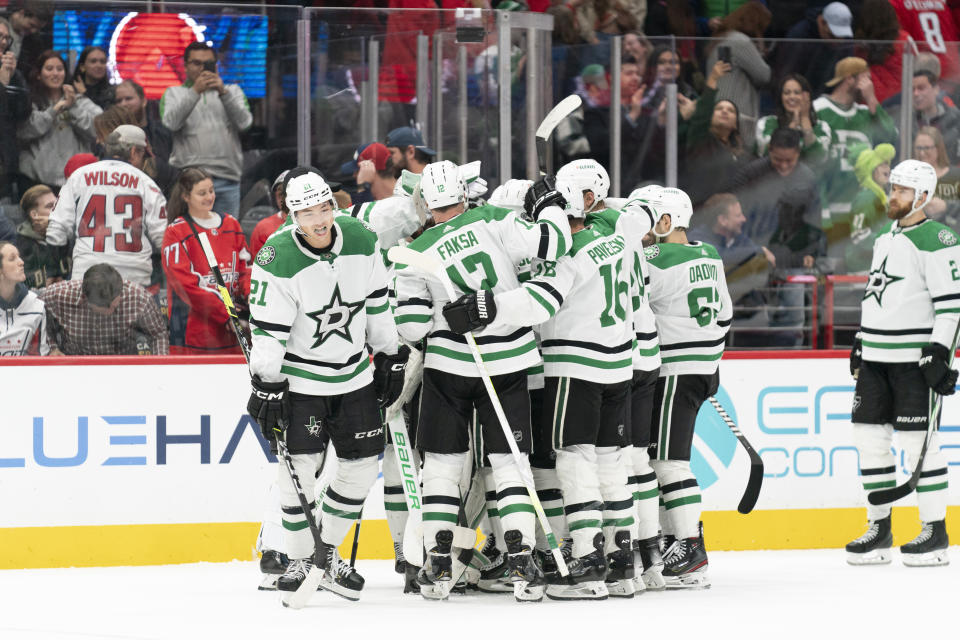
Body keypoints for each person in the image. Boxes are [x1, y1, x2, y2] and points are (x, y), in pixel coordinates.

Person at [393, 161, 572, 601]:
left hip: (448, 370)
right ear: (464, 193)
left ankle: (436, 565)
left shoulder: (417, 251)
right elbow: (555, 241)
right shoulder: (495, 219)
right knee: (511, 464)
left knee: (441, 466)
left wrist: (442, 314)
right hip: (507, 364)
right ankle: (522, 561)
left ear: (426, 204)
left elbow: (413, 327)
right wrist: (549, 205)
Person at [246, 171, 406, 602]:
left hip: (354, 375)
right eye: (307, 213)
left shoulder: (361, 237)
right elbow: (268, 333)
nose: (319, 220)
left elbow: (377, 301)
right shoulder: (276, 257)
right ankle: (301, 558)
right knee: (297, 472)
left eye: (324, 209)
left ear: (334, 206)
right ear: (292, 215)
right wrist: (268, 383)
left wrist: (389, 354)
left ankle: (326, 552)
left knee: (360, 467)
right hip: (301, 381)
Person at [846, 159, 955, 568]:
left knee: (919, 445)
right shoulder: (885, 238)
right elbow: (877, 295)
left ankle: (935, 531)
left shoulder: (940, 239)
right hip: (876, 359)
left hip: (913, 362)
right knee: (869, 441)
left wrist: (939, 351)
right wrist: (860, 339)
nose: (893, 196)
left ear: (923, 196)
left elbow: (952, 306)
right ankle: (880, 528)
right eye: (892, 188)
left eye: (902, 191)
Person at [643, 186, 732, 588]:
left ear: (664, 222)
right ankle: (675, 540)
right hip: (703, 366)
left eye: (648, 221)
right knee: (664, 457)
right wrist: (710, 364)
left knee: (666, 460)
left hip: (674, 369)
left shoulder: (654, 258)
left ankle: (690, 545)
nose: (642, 231)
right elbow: (725, 317)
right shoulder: (709, 254)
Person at [46, 125, 167, 287]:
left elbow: (57, 228)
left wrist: (54, 270)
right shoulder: (147, 184)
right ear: (133, 152)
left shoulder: (78, 177)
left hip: (87, 276)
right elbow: (162, 238)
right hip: (133, 279)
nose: (144, 162)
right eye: (143, 156)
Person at [162, 168, 250, 353]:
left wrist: (251, 295)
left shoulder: (231, 224)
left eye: (211, 191)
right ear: (186, 197)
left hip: (235, 330)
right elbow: (186, 286)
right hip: (194, 334)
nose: (209, 197)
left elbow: (245, 269)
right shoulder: (176, 231)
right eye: (202, 193)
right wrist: (227, 314)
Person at [160, 42, 252, 217]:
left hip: (227, 179)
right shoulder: (173, 93)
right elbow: (171, 123)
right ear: (185, 66)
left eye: (208, 63)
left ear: (216, 66)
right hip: (189, 181)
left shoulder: (233, 91)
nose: (202, 68)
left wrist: (223, 93)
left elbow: (245, 123)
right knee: (190, 238)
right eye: (196, 63)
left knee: (226, 239)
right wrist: (195, 91)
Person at [814, 57, 899, 241]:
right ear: (850, 79)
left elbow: (890, 138)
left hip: (863, 207)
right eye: (865, 78)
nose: (870, 83)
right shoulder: (819, 110)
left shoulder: (865, 113)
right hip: (830, 207)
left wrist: (871, 98)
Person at [39, 262, 169, 355]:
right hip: (76, 367)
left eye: (114, 304)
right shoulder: (60, 295)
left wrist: (159, 368)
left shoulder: (138, 298)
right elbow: (37, 316)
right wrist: (52, 348)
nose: (111, 310)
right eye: (105, 307)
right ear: (85, 297)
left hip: (123, 367)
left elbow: (158, 335)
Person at [18, 50, 101, 190]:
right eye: (49, 69)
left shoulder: (80, 101)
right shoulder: (29, 102)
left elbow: (99, 129)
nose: (55, 73)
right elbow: (24, 132)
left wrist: (73, 107)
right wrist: (53, 111)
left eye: (60, 69)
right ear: (38, 74)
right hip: (37, 182)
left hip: (77, 182)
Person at [681, 60, 753, 208]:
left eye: (730, 110)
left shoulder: (743, 153)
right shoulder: (701, 141)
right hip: (701, 211)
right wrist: (713, 80)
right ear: (710, 117)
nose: (725, 111)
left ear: (735, 125)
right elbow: (700, 118)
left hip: (733, 215)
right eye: (719, 108)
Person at [730, 127, 819, 247]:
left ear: (798, 153)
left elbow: (814, 218)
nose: (783, 166)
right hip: (753, 243)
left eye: (789, 160)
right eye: (777, 159)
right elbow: (733, 212)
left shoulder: (808, 178)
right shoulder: (749, 175)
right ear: (769, 150)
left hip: (792, 247)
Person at [704, 2, 772, 149]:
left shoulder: (722, 37)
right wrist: (760, 47)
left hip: (718, 109)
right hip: (737, 115)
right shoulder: (740, 41)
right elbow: (764, 75)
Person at [775, 2, 855, 95]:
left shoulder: (846, 39)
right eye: (832, 36)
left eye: (842, 37)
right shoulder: (799, 35)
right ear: (821, 22)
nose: (837, 42)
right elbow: (786, 74)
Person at [755, 74, 832, 166]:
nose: (792, 97)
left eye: (797, 93)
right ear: (781, 97)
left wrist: (804, 119)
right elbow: (764, 153)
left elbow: (819, 158)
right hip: (774, 179)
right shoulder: (767, 123)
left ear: (806, 97)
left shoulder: (821, 127)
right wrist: (792, 127)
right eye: (787, 93)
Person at [114, 79, 175, 192]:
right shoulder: (113, 136)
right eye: (119, 100)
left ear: (144, 101)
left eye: (128, 98)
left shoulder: (163, 133)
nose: (123, 104)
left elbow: (172, 172)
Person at [845, 142, 896, 273]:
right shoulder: (866, 197)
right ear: (869, 169)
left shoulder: (881, 197)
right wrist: (891, 242)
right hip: (864, 269)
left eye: (887, 164)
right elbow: (859, 235)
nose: (887, 169)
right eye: (881, 164)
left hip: (875, 267)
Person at [15, 183, 71, 288]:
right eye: (50, 206)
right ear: (34, 215)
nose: (57, 209)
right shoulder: (18, 248)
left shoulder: (69, 234)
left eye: (57, 204)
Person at [0, 240, 50, 356]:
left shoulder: (37, 306)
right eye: (12, 259)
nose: (22, 262)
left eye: (19, 257)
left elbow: (40, 357)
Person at [0, 16, 29, 201]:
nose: (3, 42)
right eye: (0, 36)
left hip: (5, 161)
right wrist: (2, 84)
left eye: (6, 38)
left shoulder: (11, 72)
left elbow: (23, 112)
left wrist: (14, 77)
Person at [908, 70, 960, 166]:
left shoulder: (956, 119)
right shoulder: (906, 121)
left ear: (936, 89)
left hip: (949, 178)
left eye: (921, 88)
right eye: (912, 89)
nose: (916, 93)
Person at [913, 126, 960, 231]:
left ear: (938, 148)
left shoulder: (956, 176)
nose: (922, 153)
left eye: (927, 148)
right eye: (919, 148)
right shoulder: (909, 178)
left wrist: (946, 206)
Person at [249, 170, 289, 257]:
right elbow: (258, 266)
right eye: (280, 194)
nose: (283, 198)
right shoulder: (263, 227)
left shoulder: (315, 223)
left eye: (288, 192)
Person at [72, 46, 114, 111]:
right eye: (93, 61)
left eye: (102, 62)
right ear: (82, 67)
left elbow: (102, 115)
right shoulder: (72, 90)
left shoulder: (112, 92)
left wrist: (85, 93)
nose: (99, 65)